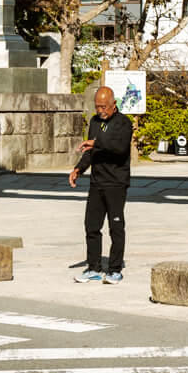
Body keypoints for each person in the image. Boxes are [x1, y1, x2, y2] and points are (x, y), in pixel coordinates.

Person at [69, 84, 134, 283]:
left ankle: (115, 269)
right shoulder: (95, 122)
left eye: (104, 106)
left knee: (115, 227)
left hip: (116, 182)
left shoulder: (124, 123)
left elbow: (119, 147)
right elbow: (91, 151)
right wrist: (78, 169)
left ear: (114, 104)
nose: (101, 111)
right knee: (91, 226)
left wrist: (96, 143)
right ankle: (93, 267)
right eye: (98, 106)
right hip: (97, 182)